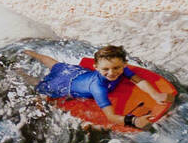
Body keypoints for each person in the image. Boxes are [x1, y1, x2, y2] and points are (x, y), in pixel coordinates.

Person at [21, 44, 175, 129]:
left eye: (116, 68)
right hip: (63, 86)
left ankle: (30, 52)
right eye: (105, 69)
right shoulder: (98, 88)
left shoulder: (120, 69)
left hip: (79, 73)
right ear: (96, 67)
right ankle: (22, 67)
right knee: (39, 83)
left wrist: (154, 94)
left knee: (58, 66)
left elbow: (138, 80)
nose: (112, 73)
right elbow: (111, 117)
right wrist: (134, 121)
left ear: (124, 64)